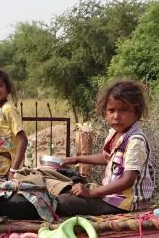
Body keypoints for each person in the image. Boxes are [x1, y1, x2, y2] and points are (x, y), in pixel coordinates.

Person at [59, 79, 154, 215]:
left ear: (137, 112)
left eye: (124, 110)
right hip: (113, 197)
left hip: (126, 203)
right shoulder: (115, 134)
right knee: (67, 190)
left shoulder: (136, 141)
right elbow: (107, 157)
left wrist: (92, 192)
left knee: (64, 203)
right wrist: (77, 159)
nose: (116, 116)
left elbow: (127, 181)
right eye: (111, 110)